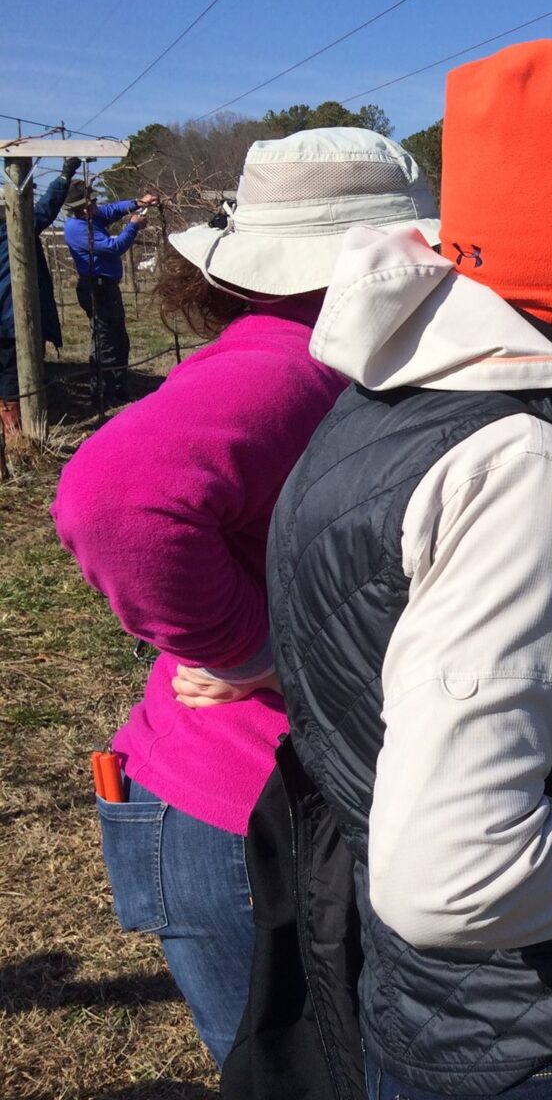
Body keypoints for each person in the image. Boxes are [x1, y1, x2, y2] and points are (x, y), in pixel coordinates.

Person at [263, 39, 552, 1099]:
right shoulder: (520, 466)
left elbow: (397, 655)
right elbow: (453, 875)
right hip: (539, 1040)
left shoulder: (386, 406)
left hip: (440, 1015)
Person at [51, 128, 441, 1068]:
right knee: (292, 1071)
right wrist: (254, 649)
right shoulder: (290, 366)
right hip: (250, 813)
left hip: (262, 801)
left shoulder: (320, 357)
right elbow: (114, 499)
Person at [1, 156, 79, 441]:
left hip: (7, 314)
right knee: (13, 371)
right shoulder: (12, 228)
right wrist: (64, 176)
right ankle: (17, 432)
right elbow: (45, 210)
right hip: (10, 316)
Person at [62, 179, 156, 404]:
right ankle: (103, 392)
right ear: (79, 208)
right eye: (90, 203)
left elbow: (111, 210)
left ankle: (118, 387)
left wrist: (137, 202)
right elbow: (114, 247)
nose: (95, 206)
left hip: (107, 287)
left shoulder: (91, 217)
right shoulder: (77, 229)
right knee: (104, 340)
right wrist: (133, 226)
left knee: (118, 338)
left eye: (94, 201)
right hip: (96, 287)